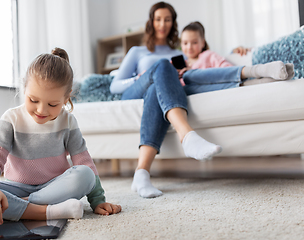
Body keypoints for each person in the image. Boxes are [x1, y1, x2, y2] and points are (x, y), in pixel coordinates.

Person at [109, 2, 294, 199]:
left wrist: (236, 50)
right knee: (162, 67)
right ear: (151, 22)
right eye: (158, 19)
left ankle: (141, 174)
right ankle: (188, 136)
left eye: (167, 19)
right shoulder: (138, 51)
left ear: (173, 23)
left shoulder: (179, 53)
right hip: (136, 90)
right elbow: (115, 86)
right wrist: (141, 77)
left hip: (158, 91)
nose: (162, 24)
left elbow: (205, 63)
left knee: (176, 79)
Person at [0, 48, 121, 225]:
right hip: (16, 188)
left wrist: (98, 200)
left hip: (55, 188)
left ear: (66, 98)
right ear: (24, 89)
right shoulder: (11, 119)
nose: (41, 110)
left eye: (52, 104)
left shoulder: (68, 122)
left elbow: (83, 161)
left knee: (86, 174)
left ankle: (13, 209)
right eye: (33, 100)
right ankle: (47, 212)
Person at [179, 21, 294, 85]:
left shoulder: (208, 55)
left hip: (218, 79)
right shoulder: (180, 65)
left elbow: (226, 67)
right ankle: (271, 78)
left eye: (194, 42)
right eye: (185, 43)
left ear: (202, 43)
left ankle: (273, 72)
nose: (189, 47)